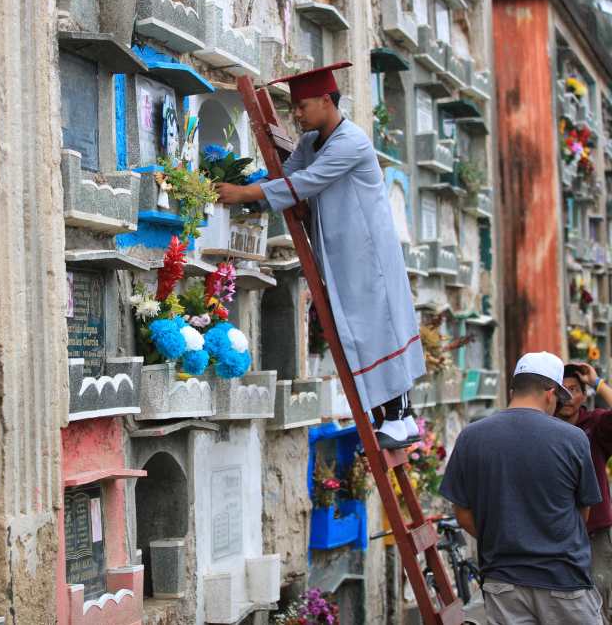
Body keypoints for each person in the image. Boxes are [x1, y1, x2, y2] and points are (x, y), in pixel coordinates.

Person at [216, 62, 423, 448]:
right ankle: (402, 416)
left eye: (303, 106)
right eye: (294, 107)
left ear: (327, 101)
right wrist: (248, 189)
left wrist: (244, 195)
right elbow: (286, 175)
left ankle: (397, 416)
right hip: (341, 250)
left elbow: (307, 182)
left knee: (377, 326)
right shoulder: (312, 142)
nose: (296, 114)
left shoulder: (351, 141)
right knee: (363, 327)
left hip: (367, 252)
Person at [440, 351, 603, 624]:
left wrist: (505, 538)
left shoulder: (471, 436)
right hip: (564, 580)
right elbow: (583, 514)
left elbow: (463, 514)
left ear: (514, 388)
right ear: (550, 393)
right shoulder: (573, 439)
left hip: (502, 583)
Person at [560, 362, 612, 623]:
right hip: (556, 538)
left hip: (594, 533)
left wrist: (597, 382)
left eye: (574, 389)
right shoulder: (543, 427)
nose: (568, 396)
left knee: (601, 601)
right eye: (562, 389)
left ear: (583, 394)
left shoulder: (596, 424)